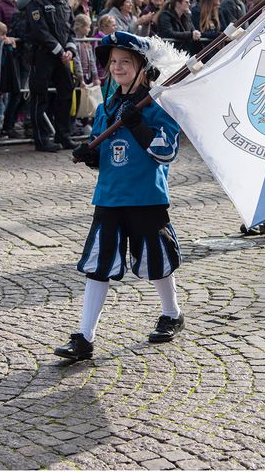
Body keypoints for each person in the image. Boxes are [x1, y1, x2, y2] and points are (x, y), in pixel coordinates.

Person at [58, 31, 184, 361]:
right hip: (110, 198)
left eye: (125, 62)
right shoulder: (106, 107)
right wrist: (91, 156)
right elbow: (109, 154)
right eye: (113, 62)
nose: (117, 67)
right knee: (99, 266)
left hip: (146, 197)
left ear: (143, 67)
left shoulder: (157, 105)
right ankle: (85, 337)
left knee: (155, 261)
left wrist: (140, 125)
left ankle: (172, 313)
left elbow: (166, 152)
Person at [26, 0, 77, 152]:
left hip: (62, 57)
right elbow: (40, 31)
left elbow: (70, 29)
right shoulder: (36, 2)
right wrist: (59, 50)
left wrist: (70, 49)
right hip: (42, 56)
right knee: (40, 96)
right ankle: (42, 139)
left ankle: (63, 135)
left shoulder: (63, 1)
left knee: (66, 92)